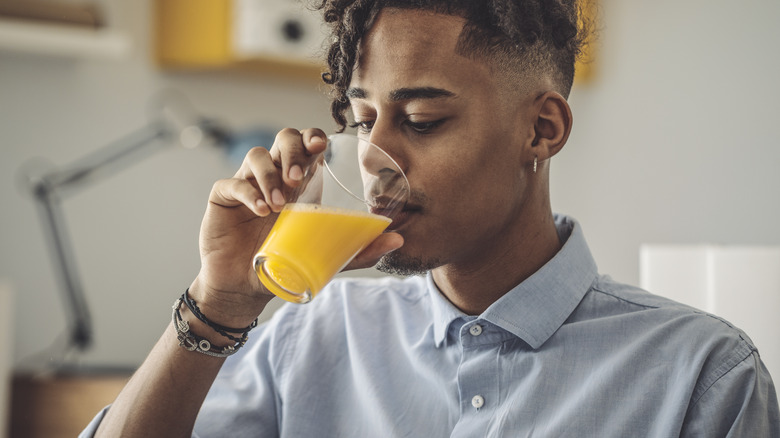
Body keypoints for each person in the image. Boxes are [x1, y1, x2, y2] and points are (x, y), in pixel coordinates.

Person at [82, 0, 779, 436]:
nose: (376, 160)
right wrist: (221, 301)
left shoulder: (702, 376)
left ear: (541, 128)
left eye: (421, 119)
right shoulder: (309, 339)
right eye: (361, 121)